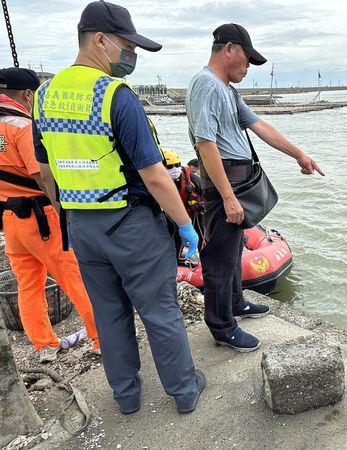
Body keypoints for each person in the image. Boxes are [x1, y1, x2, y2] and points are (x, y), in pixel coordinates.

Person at [33, 1, 205, 414]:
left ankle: (126, 397)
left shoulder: (43, 96)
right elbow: (155, 175)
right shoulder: (115, 95)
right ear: (100, 40)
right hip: (130, 225)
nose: (131, 55)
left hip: (82, 227)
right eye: (128, 46)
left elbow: (44, 172)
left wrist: (72, 209)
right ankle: (184, 391)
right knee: (159, 311)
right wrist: (185, 225)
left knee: (109, 315)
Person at [186, 23, 325, 352]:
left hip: (238, 181)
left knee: (234, 251)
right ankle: (221, 327)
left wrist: (300, 156)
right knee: (219, 260)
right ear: (230, 48)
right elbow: (206, 144)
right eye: (247, 60)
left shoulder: (228, 90)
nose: (248, 68)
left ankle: (236, 304)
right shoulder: (205, 84)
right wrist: (228, 197)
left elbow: (261, 126)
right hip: (224, 186)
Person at [0, 67, 100, 363]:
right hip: (41, 218)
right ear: (29, 95)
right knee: (74, 277)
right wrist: (63, 210)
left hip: (11, 221)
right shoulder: (22, 127)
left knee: (28, 284)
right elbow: (41, 175)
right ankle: (100, 337)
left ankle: (44, 345)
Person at [163, 150, 203, 262]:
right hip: (170, 218)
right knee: (174, 238)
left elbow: (206, 195)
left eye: (177, 165)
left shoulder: (192, 179)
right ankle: (177, 259)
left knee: (202, 237)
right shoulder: (156, 182)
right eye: (170, 166)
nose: (175, 169)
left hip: (193, 215)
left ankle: (204, 262)